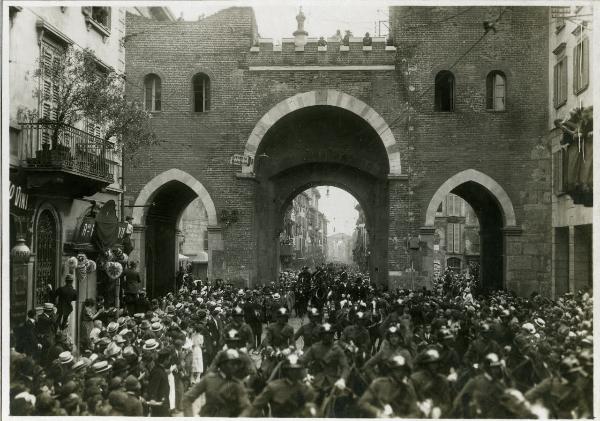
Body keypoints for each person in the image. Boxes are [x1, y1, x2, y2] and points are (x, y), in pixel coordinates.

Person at [241, 353, 317, 417]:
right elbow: (255, 407)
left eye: (296, 370)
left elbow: (313, 410)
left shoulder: (306, 389)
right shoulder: (273, 387)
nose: (294, 373)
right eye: (291, 370)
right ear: (286, 371)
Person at [182, 349, 251, 417]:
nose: (235, 367)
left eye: (236, 364)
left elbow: (246, 407)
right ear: (222, 364)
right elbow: (187, 398)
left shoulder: (238, 384)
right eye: (232, 364)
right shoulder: (209, 379)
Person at [300, 323, 350, 405]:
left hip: (334, 382)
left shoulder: (337, 349)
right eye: (325, 334)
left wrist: (342, 379)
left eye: (329, 334)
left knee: (344, 402)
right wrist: (306, 375)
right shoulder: (314, 348)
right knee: (306, 401)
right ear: (321, 336)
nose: (327, 336)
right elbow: (301, 363)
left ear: (332, 335)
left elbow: (345, 367)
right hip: (316, 381)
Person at [146, 348, 171, 417]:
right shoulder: (158, 372)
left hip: (163, 404)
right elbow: (153, 389)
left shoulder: (160, 370)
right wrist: (153, 400)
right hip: (159, 407)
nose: (169, 361)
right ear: (165, 360)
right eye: (168, 359)